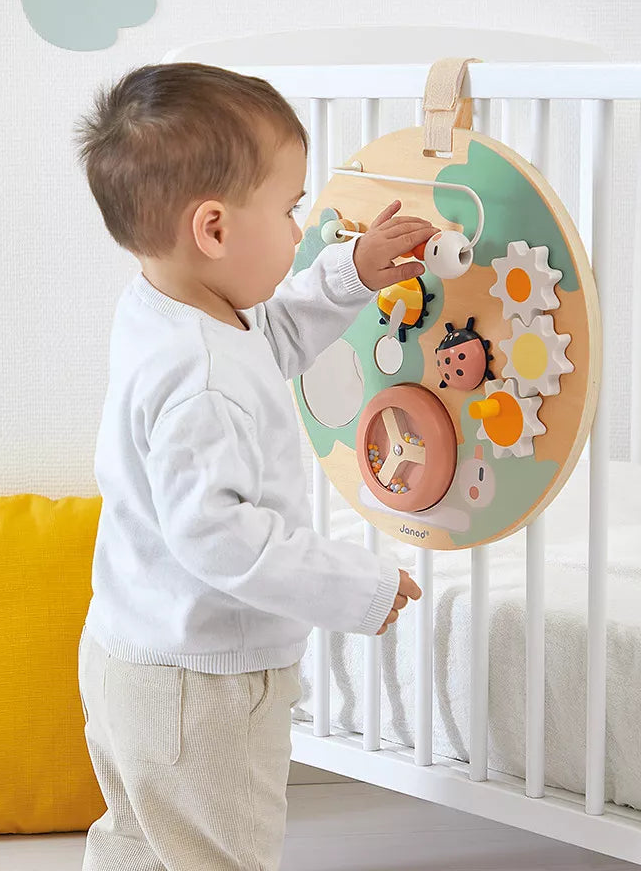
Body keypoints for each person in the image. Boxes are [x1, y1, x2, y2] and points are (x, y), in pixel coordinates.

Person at [73, 62, 429, 870]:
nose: (300, 232)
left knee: (140, 844)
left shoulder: (168, 311)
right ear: (214, 229)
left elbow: (266, 341)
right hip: (203, 684)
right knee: (218, 856)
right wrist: (358, 586)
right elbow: (221, 539)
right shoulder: (201, 379)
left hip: (132, 654)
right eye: (290, 209)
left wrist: (350, 273)